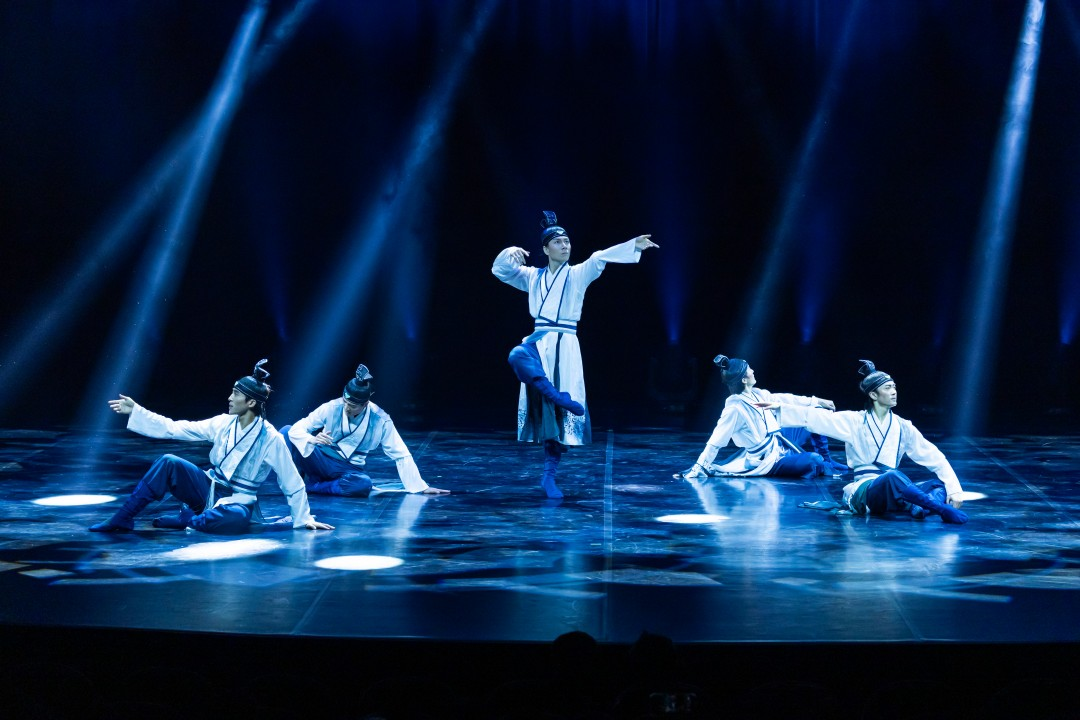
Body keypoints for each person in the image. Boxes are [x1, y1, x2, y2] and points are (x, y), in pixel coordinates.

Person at [493, 210, 658, 498]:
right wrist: (511, 253)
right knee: (519, 358)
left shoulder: (577, 274)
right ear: (546, 249)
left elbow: (599, 258)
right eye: (558, 242)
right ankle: (559, 399)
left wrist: (633, 245)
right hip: (539, 341)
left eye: (567, 241)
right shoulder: (533, 277)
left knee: (554, 417)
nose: (565, 246)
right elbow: (501, 271)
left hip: (566, 344)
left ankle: (549, 475)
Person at [90, 359, 334, 534]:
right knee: (168, 462)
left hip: (237, 500)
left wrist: (303, 518)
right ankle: (123, 518)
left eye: (235, 394)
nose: (229, 398)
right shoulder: (223, 423)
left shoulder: (271, 438)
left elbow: (291, 481)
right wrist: (138, 411)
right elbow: (175, 428)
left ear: (251, 402)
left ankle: (189, 521)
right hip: (207, 487)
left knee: (237, 518)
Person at [781, 359, 969, 523]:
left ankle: (919, 507)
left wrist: (955, 490)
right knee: (893, 477)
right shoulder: (855, 421)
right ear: (873, 394)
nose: (894, 392)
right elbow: (815, 418)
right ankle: (939, 509)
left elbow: (934, 457)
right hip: (866, 491)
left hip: (895, 489)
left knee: (939, 485)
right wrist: (780, 408)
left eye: (894, 387)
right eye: (888, 388)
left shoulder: (903, 426)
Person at [283, 363, 449, 497]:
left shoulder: (380, 420)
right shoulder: (331, 407)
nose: (347, 408)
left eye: (353, 405)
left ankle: (313, 487)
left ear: (365, 404)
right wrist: (310, 439)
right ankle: (299, 478)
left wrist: (420, 487)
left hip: (348, 469)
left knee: (362, 484)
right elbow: (298, 428)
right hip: (321, 458)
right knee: (285, 432)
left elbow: (400, 453)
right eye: (345, 402)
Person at [678, 354, 843, 480]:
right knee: (814, 460)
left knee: (814, 412)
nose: (753, 371)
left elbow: (786, 399)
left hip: (779, 441)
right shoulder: (735, 408)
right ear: (744, 379)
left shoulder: (758, 394)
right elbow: (716, 441)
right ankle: (819, 463)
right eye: (750, 370)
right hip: (768, 460)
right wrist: (699, 466)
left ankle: (828, 461)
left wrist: (817, 401)